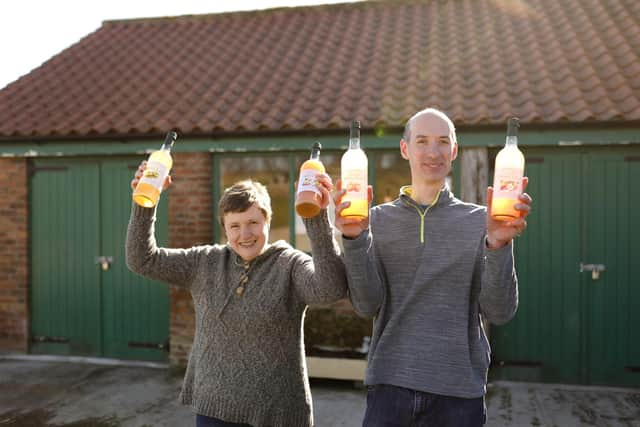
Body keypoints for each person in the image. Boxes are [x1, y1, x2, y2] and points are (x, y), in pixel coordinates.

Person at [333, 108, 532, 427]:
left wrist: (498, 245)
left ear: (454, 151)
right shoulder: (375, 220)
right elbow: (366, 304)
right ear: (404, 149)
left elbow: (499, 311)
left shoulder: (482, 221)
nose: (432, 151)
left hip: (458, 395)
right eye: (422, 141)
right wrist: (354, 239)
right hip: (390, 390)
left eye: (442, 142)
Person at [126, 162, 347, 427]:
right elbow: (142, 260)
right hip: (215, 411)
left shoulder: (289, 264)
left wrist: (316, 219)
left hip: (277, 413)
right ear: (224, 228)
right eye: (235, 226)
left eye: (253, 222)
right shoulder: (205, 262)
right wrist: (145, 203)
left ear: (268, 220)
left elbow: (330, 288)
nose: (245, 234)